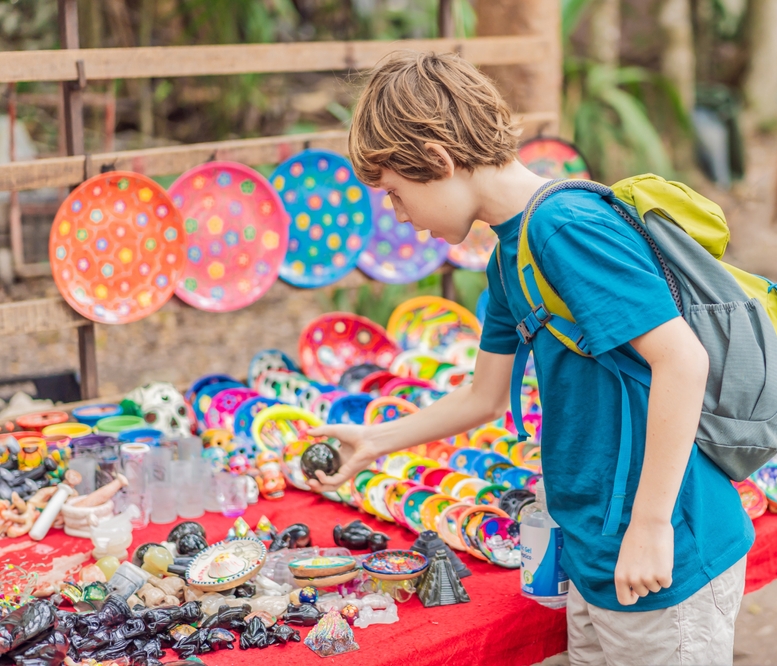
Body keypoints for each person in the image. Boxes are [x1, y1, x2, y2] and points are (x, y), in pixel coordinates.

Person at [308, 51, 754, 666]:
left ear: (438, 161)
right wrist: (373, 440)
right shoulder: (507, 255)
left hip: (662, 550)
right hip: (597, 547)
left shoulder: (564, 229)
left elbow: (682, 360)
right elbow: (482, 397)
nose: (399, 217)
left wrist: (650, 528)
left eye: (396, 194)